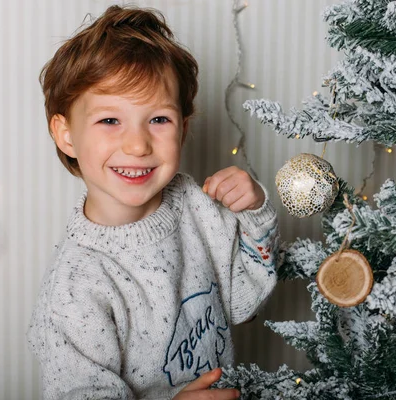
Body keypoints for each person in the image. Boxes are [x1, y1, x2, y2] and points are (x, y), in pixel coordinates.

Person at [26, 5, 278, 399]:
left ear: (183, 128)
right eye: (110, 120)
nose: (138, 144)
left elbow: (246, 297)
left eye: (158, 119)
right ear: (66, 135)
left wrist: (253, 211)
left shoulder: (194, 203)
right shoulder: (75, 289)